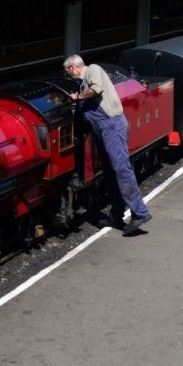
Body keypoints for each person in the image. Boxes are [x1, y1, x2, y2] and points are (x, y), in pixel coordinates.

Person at [63, 54, 151, 235]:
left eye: (67, 70)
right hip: (102, 131)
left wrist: (77, 97)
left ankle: (140, 212)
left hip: (111, 125)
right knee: (111, 173)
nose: (67, 73)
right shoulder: (82, 83)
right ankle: (117, 215)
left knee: (121, 168)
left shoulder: (93, 70)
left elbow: (95, 90)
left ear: (73, 67)